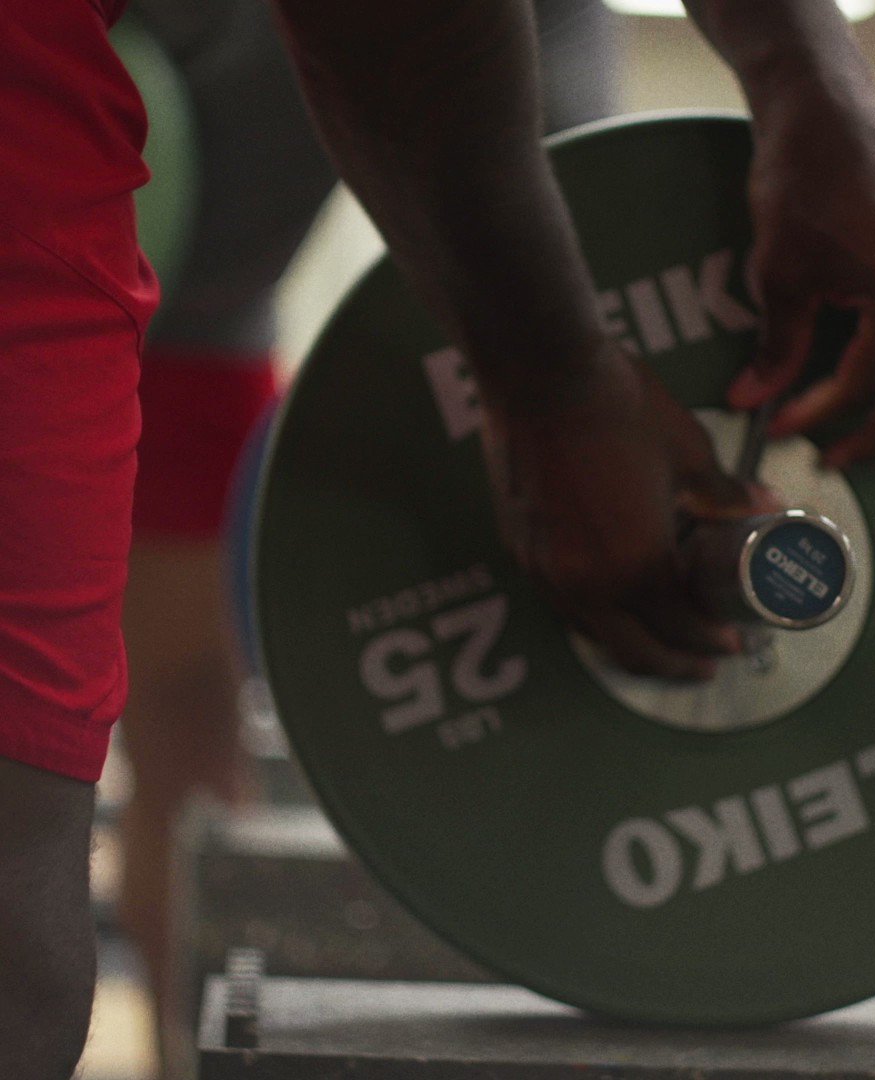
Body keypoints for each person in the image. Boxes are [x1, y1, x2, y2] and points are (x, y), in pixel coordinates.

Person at [0, 1, 875, 1076]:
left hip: (199, 237)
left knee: (163, 746)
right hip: (95, 94)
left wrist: (813, 81)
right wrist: (551, 385)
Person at [113, 1, 620, 1074]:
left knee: (186, 735)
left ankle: (181, 1056)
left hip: (202, 333)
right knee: (124, 738)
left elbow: (587, 215)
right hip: (109, 295)